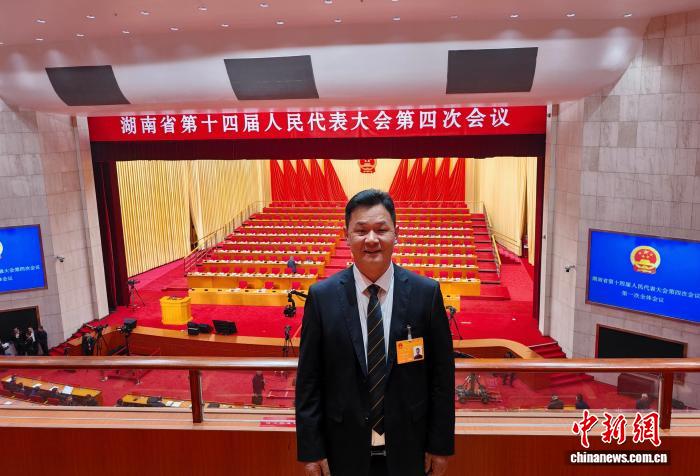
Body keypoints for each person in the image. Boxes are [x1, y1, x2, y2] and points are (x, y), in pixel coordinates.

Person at [296, 189, 455, 476]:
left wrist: (440, 445)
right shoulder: (322, 297)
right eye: (361, 231)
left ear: (396, 234)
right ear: (347, 236)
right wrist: (311, 450)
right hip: (341, 450)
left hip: (410, 449)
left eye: (381, 230)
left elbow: (441, 378)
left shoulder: (426, 294)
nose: (371, 239)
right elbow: (309, 380)